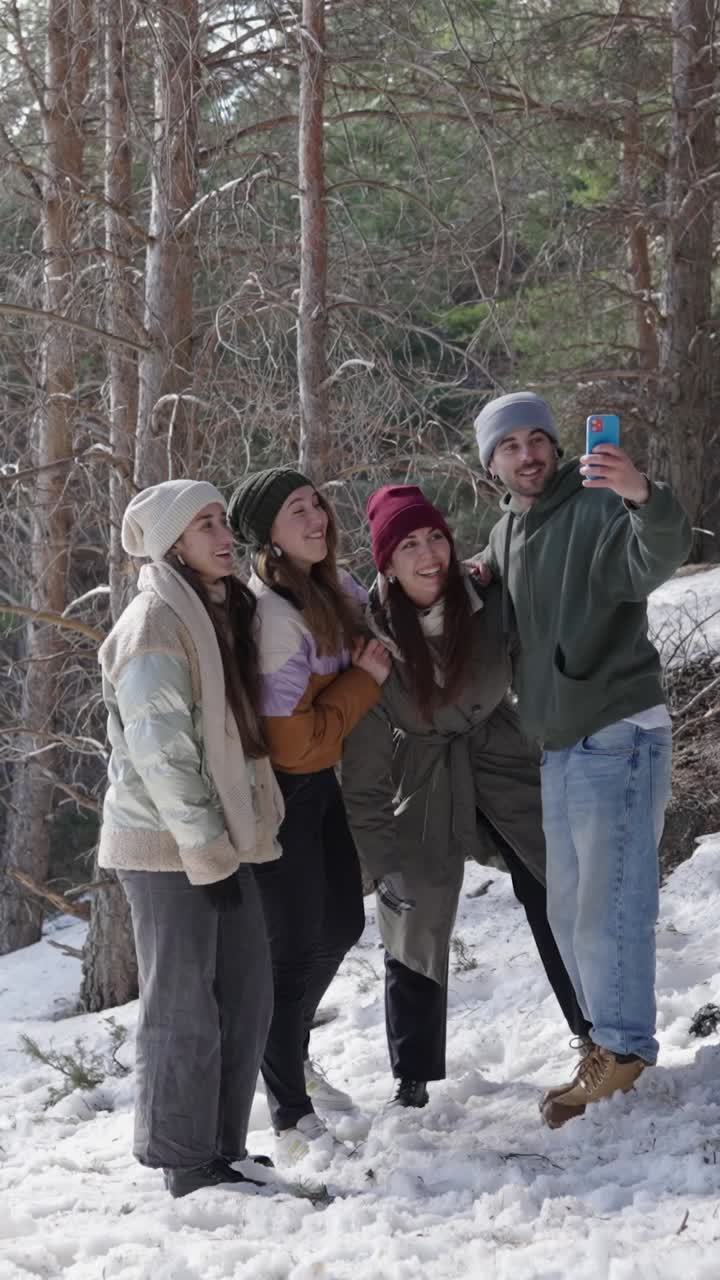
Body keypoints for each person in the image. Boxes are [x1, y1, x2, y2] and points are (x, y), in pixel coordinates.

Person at [473, 391, 692, 1127]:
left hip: (618, 729)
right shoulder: (509, 531)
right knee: (568, 909)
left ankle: (623, 1050)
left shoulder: (597, 502)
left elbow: (657, 553)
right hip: (560, 742)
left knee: (611, 902)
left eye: (538, 439)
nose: (529, 454)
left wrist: (642, 495)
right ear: (492, 463)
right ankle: (606, 1045)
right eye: (511, 446)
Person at [341, 483, 589, 1109]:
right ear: (386, 564)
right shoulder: (370, 635)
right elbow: (365, 769)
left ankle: (596, 1036)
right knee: (415, 909)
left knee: (551, 879)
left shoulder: (488, 595)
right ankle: (413, 1075)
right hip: (421, 774)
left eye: (435, 539)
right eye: (409, 546)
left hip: (500, 754)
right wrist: (377, 859)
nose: (429, 556)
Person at [98, 479, 284, 1198]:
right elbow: (162, 751)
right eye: (206, 524)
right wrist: (205, 848)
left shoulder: (213, 611)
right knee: (183, 1005)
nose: (224, 532)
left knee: (245, 994)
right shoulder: (155, 621)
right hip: (166, 845)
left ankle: (221, 1149)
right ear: (174, 543)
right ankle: (184, 1159)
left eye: (220, 520)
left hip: (214, 839)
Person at [227, 468, 391, 1163]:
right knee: (289, 951)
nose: (317, 517)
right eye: (297, 511)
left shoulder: (331, 587)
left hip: (321, 785)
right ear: (269, 532)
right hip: (284, 793)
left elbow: (375, 620)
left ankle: (287, 1055)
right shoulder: (276, 615)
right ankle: (289, 1115)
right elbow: (291, 745)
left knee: (343, 923)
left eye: (317, 504)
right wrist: (363, 682)